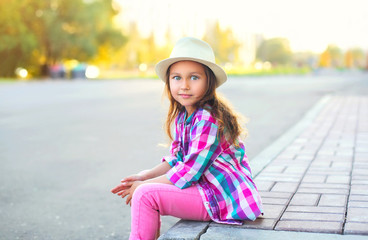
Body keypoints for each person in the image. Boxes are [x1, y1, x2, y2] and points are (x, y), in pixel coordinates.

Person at [111, 37, 263, 240]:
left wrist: (145, 186)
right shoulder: (185, 116)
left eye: (194, 77)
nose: (184, 85)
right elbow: (177, 159)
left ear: (209, 81)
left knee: (145, 194)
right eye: (176, 78)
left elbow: (189, 171)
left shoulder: (208, 118)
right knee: (145, 186)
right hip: (206, 189)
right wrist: (145, 177)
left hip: (221, 198)